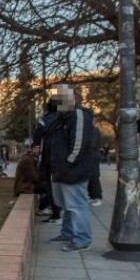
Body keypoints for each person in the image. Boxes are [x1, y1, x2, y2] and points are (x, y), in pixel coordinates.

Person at [43, 85, 96, 253]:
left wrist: (67, 163)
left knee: (77, 206)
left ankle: (82, 240)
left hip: (73, 170)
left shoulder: (78, 115)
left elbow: (78, 144)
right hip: (60, 170)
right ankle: (67, 234)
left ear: (73, 97)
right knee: (65, 205)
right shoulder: (61, 117)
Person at [32, 101, 62, 223]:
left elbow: (37, 136)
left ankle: (56, 214)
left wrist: (35, 146)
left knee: (50, 185)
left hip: (49, 157)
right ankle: (59, 211)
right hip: (63, 158)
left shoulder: (45, 120)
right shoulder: (66, 118)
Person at [88, 126, 103, 206]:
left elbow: (92, 143)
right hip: (90, 156)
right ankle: (92, 196)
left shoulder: (93, 130)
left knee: (94, 177)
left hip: (92, 156)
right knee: (90, 177)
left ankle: (97, 197)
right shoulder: (91, 129)